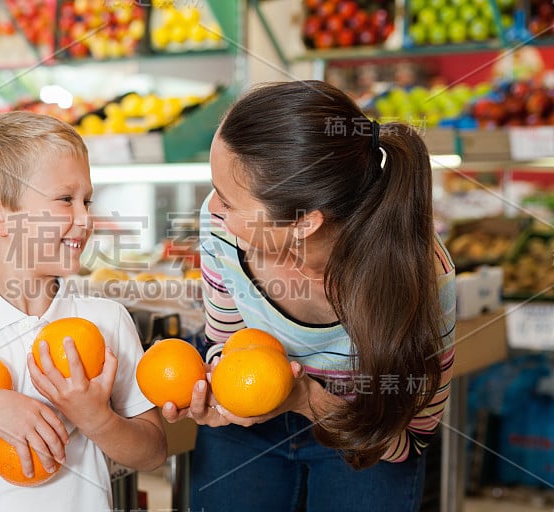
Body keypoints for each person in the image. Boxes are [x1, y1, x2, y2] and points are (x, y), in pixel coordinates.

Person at [162, 80, 456, 512]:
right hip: (247, 425)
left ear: (304, 223)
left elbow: (410, 436)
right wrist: (215, 387)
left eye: (228, 199)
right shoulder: (222, 227)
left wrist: (302, 399)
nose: (212, 209)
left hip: (363, 438)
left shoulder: (420, 276)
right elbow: (226, 341)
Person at [0, 111, 167, 511]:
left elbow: (151, 453)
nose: (85, 219)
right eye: (66, 199)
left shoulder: (107, 321)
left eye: (87, 200)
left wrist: (96, 418)